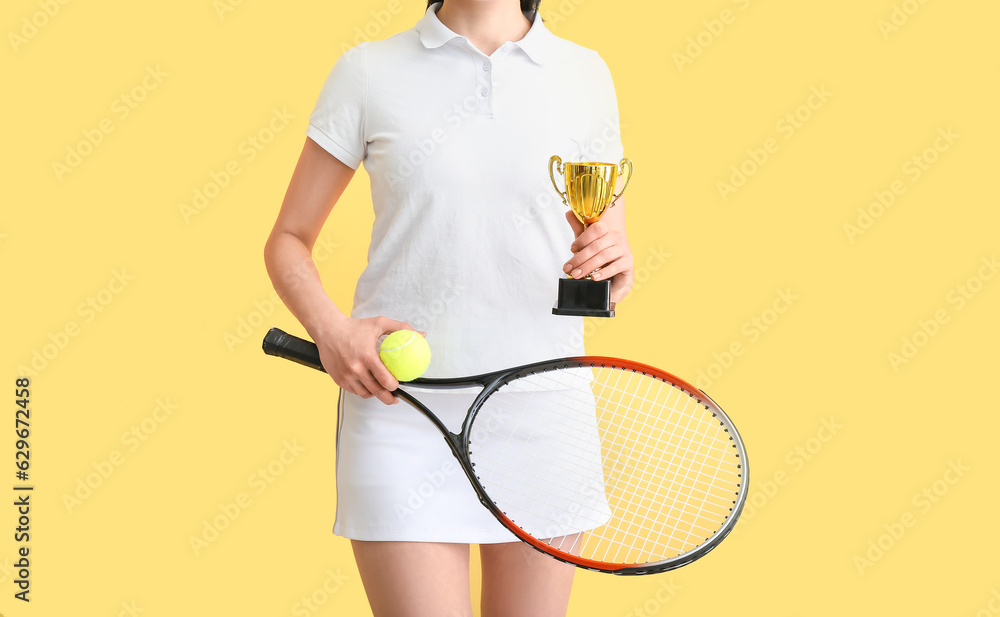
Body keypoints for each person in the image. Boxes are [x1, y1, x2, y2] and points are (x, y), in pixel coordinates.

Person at [263, 1, 634, 615]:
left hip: (542, 411)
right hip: (404, 406)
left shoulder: (585, 73)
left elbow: (605, 248)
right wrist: (331, 331)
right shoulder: (368, 71)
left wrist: (614, 270)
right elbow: (288, 237)